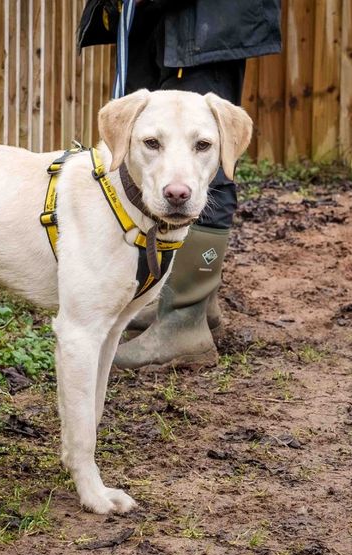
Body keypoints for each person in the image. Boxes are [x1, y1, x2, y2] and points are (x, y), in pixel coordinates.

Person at [77, 0, 282, 369]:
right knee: (159, 155)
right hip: (150, 18)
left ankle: (184, 322)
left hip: (209, 19)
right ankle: (187, 298)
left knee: (195, 169)